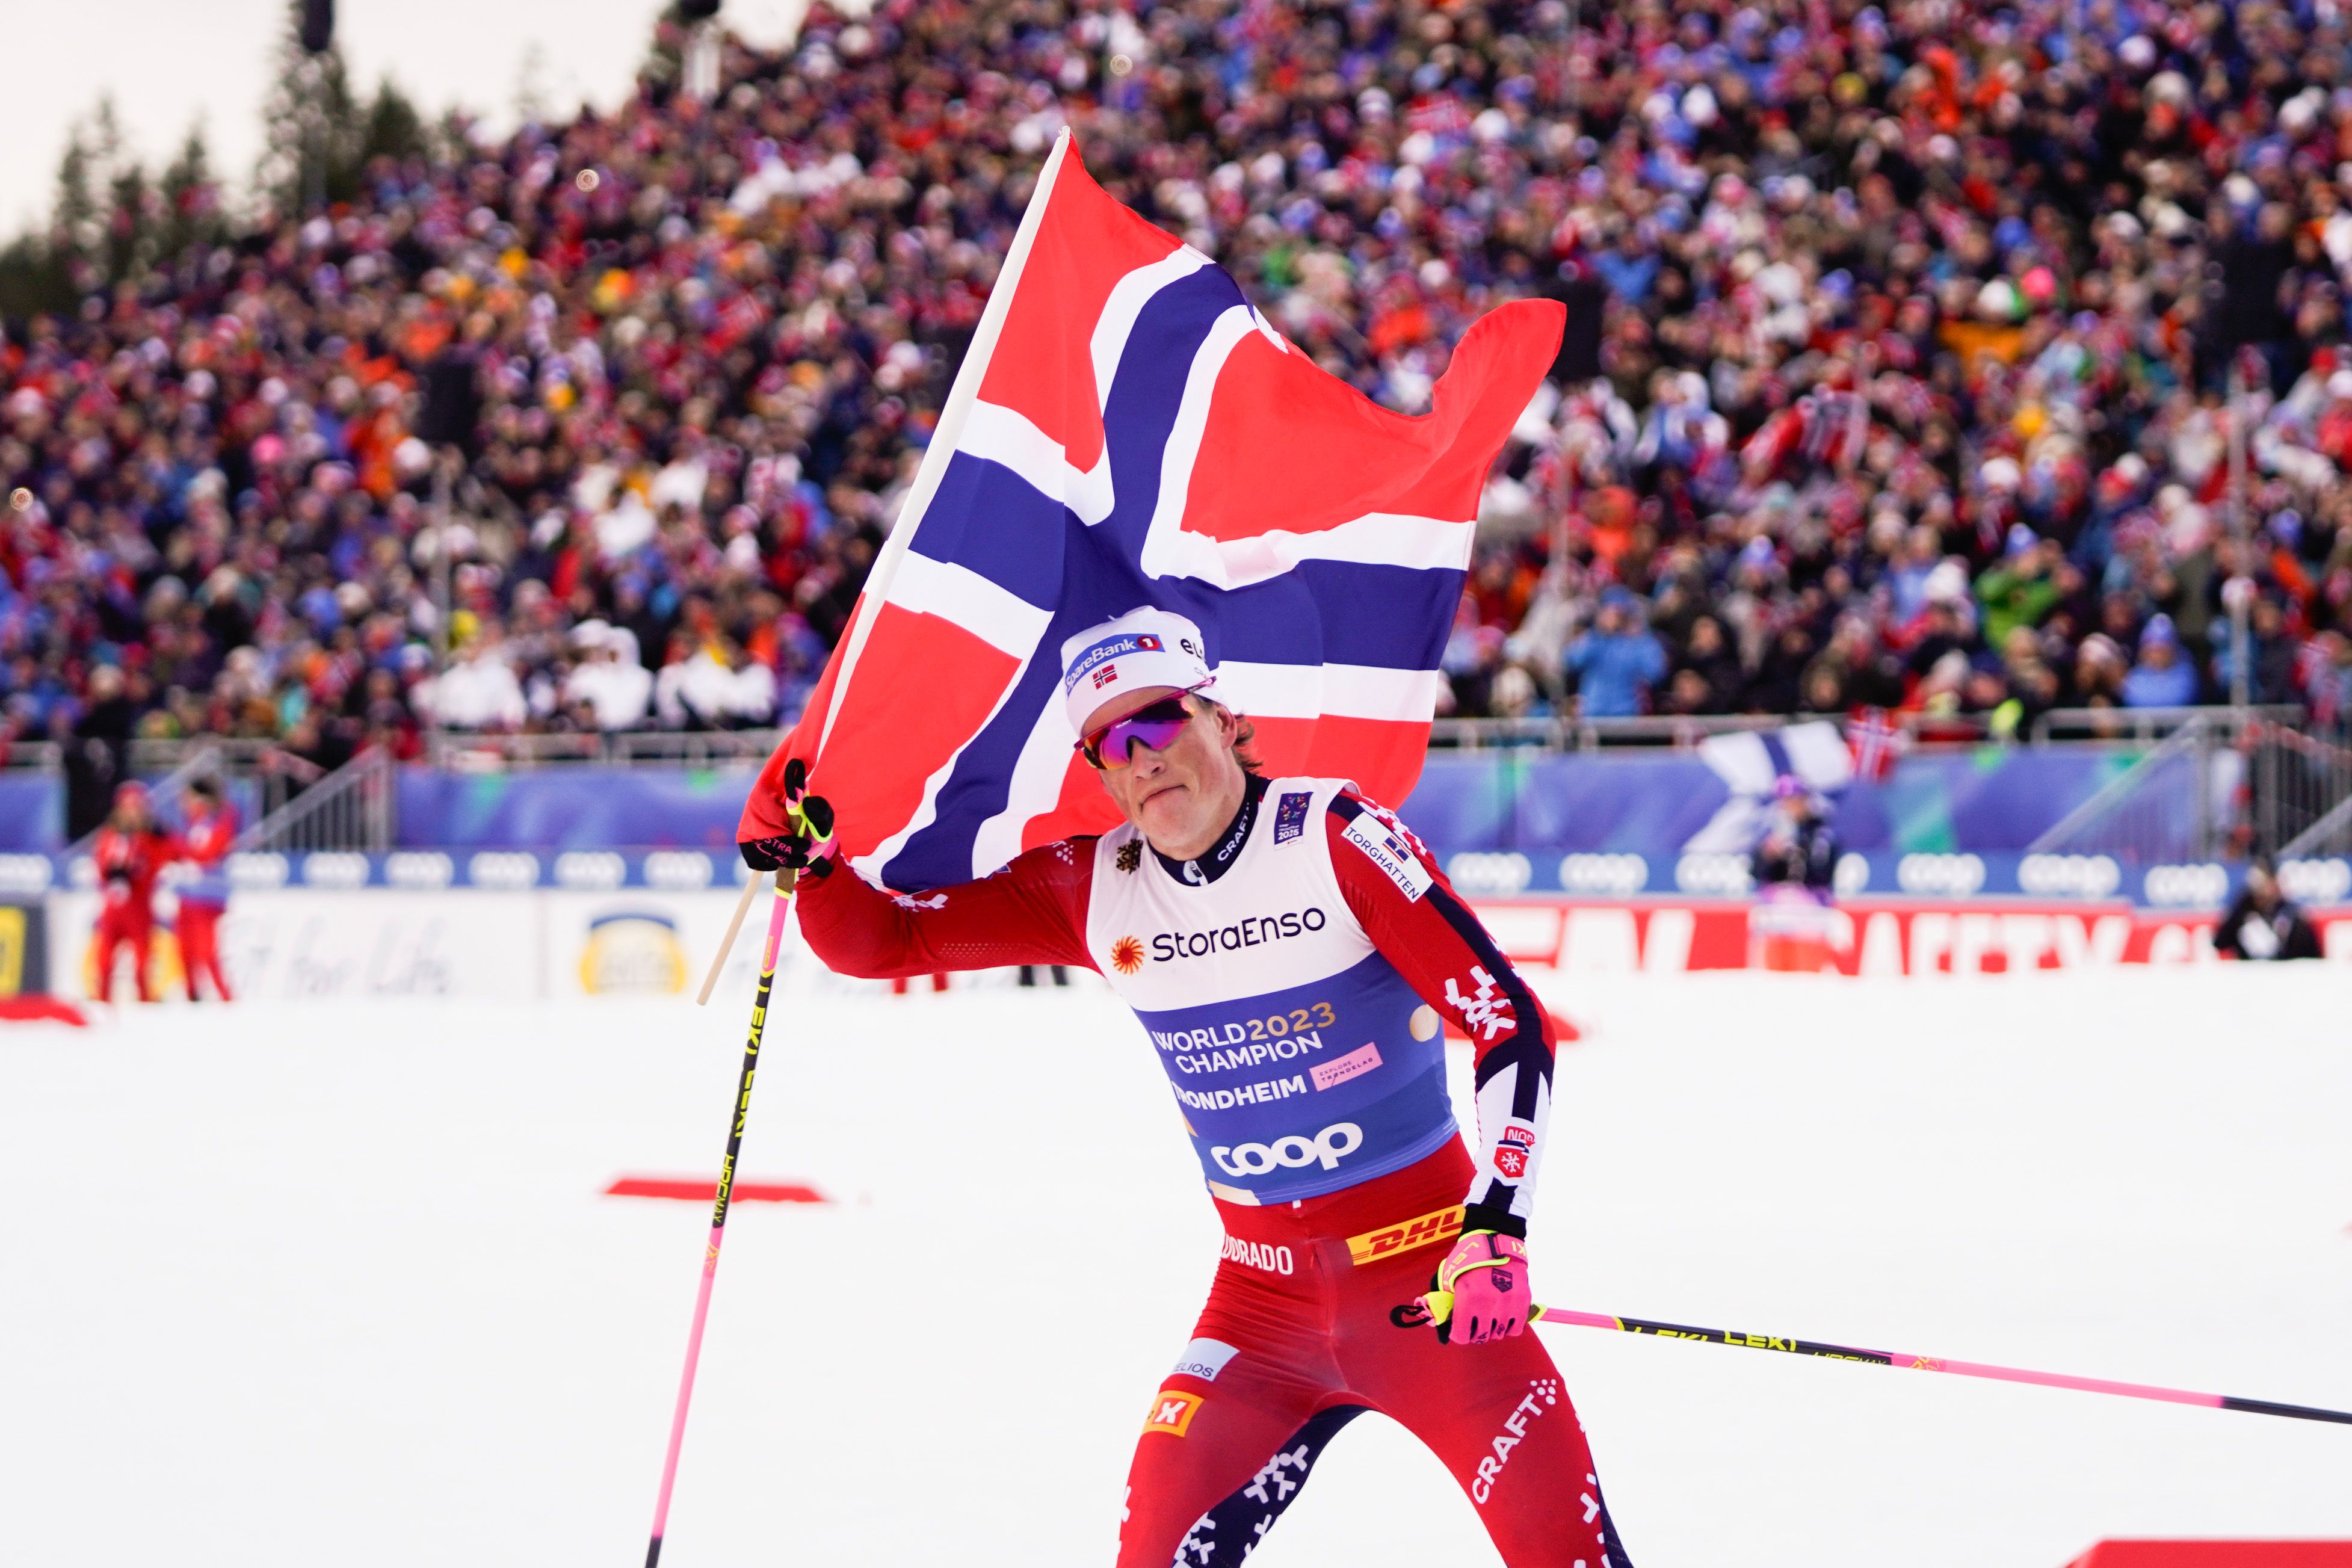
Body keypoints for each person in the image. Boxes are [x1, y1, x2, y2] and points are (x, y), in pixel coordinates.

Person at [746, 609, 1631, 1567]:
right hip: (1260, 1308)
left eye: (1159, 719)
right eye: (1110, 744)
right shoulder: (1095, 884)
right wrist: (815, 867)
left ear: (1224, 720)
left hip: (1431, 1281)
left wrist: (1496, 1225)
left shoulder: (1335, 835)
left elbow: (1506, 1017)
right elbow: (886, 941)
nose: (1141, 757)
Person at [90, 782, 173, 1003]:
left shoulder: (150, 839)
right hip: (114, 909)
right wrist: (113, 874)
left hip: (139, 908)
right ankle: (103, 1003)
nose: (132, 814)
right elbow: (101, 865)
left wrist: (136, 871)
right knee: (104, 961)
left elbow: (160, 861)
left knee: (142, 963)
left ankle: (146, 1004)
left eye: (136, 808)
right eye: (128, 808)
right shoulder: (110, 835)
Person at [1749, 776, 1841, 972]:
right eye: (1784, 801)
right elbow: (1756, 874)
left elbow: (1822, 875)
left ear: (1806, 800)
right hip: (1775, 914)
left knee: (1807, 975)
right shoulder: (1771, 832)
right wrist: (1770, 856)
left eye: (1794, 800)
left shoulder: (1821, 833)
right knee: (1774, 974)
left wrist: (1800, 851)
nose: (1789, 806)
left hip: (1810, 915)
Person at [175, 777, 238, 1002]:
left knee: (206, 952)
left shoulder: (218, 820)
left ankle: (226, 999)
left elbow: (210, 852)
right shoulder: (194, 823)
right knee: (185, 951)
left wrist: (187, 856)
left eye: (188, 797)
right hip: (188, 896)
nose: (183, 802)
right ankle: (193, 997)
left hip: (207, 898)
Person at [2214, 860, 2323, 961]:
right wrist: (2241, 910)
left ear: (2274, 882)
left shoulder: (2291, 914)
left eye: (2263, 884)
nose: (2259, 893)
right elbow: (2220, 942)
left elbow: (2311, 955)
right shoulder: (2243, 911)